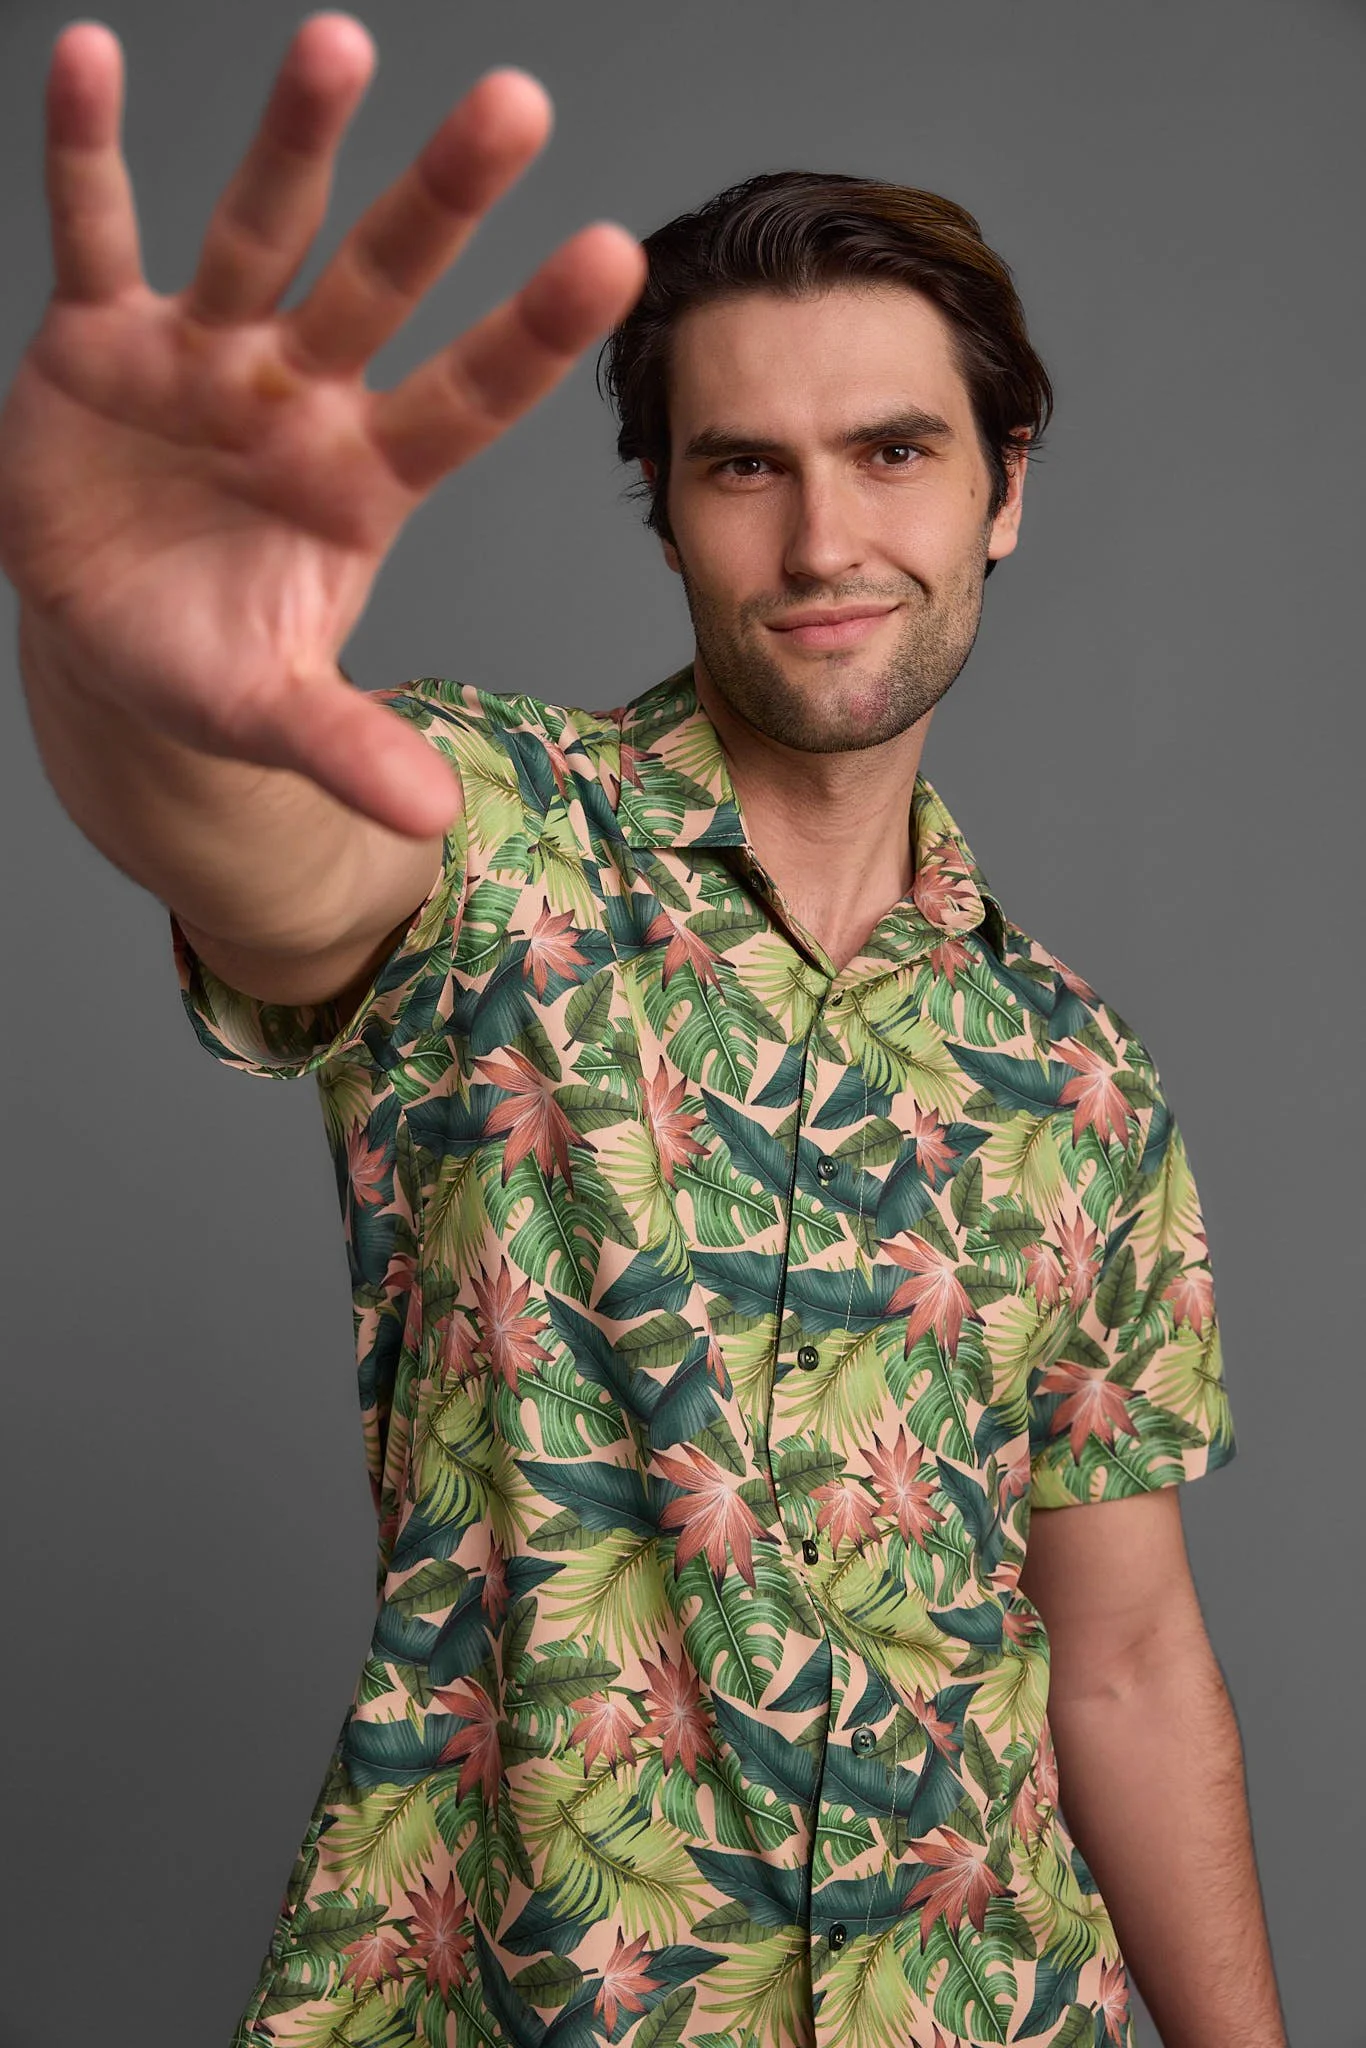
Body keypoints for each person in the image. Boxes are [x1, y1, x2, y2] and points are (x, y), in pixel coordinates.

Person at [1, 16, 1288, 2048]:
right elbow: (259, 844)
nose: (822, 544)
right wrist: (112, 669)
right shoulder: (493, 839)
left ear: (999, 488)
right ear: (665, 510)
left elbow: (1119, 1657)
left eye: (890, 450)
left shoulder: (1081, 1073)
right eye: (738, 466)